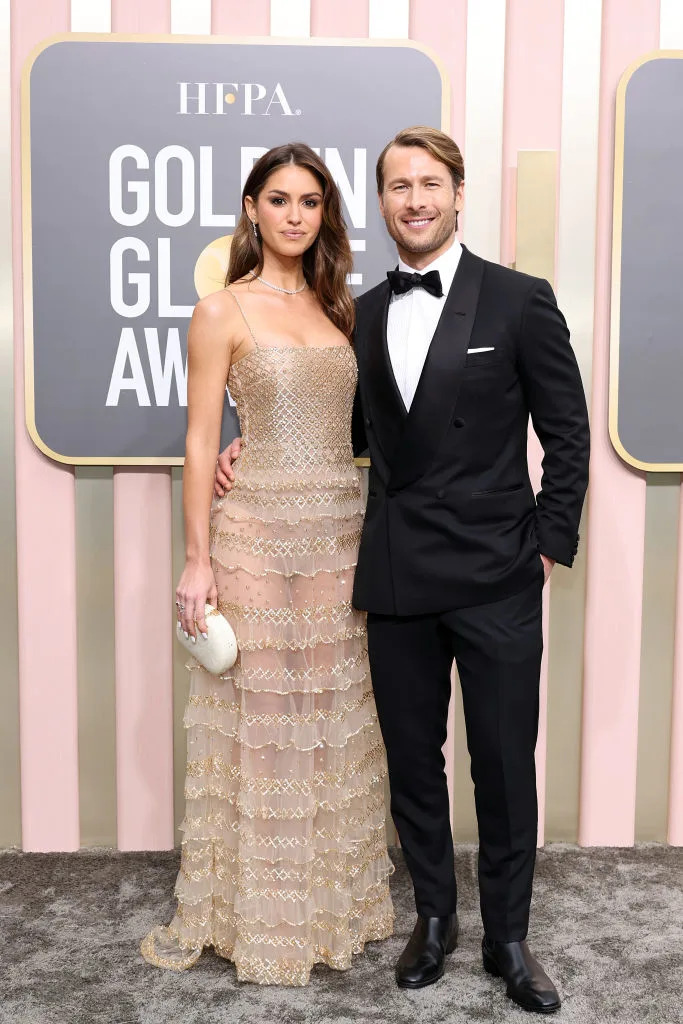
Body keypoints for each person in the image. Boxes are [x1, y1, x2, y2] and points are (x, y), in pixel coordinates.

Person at [216, 126, 590, 1012]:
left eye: (429, 184)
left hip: (497, 573)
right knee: (413, 764)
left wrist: (546, 542)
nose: (414, 200)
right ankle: (433, 920)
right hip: (393, 577)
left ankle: (506, 938)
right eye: (396, 186)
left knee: (500, 764)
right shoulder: (362, 315)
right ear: (380, 203)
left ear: (458, 195)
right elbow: (346, 435)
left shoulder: (518, 301)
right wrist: (248, 448)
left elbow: (567, 434)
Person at [142, 143, 394, 986]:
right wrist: (195, 560)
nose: (294, 214)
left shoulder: (340, 307)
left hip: (336, 530)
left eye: (311, 201)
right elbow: (197, 439)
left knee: (325, 714)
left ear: (325, 215)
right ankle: (259, 915)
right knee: (257, 716)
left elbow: (342, 422)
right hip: (252, 531)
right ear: (251, 208)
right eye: (279, 199)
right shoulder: (220, 310)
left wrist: (270, 433)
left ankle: (325, 903)